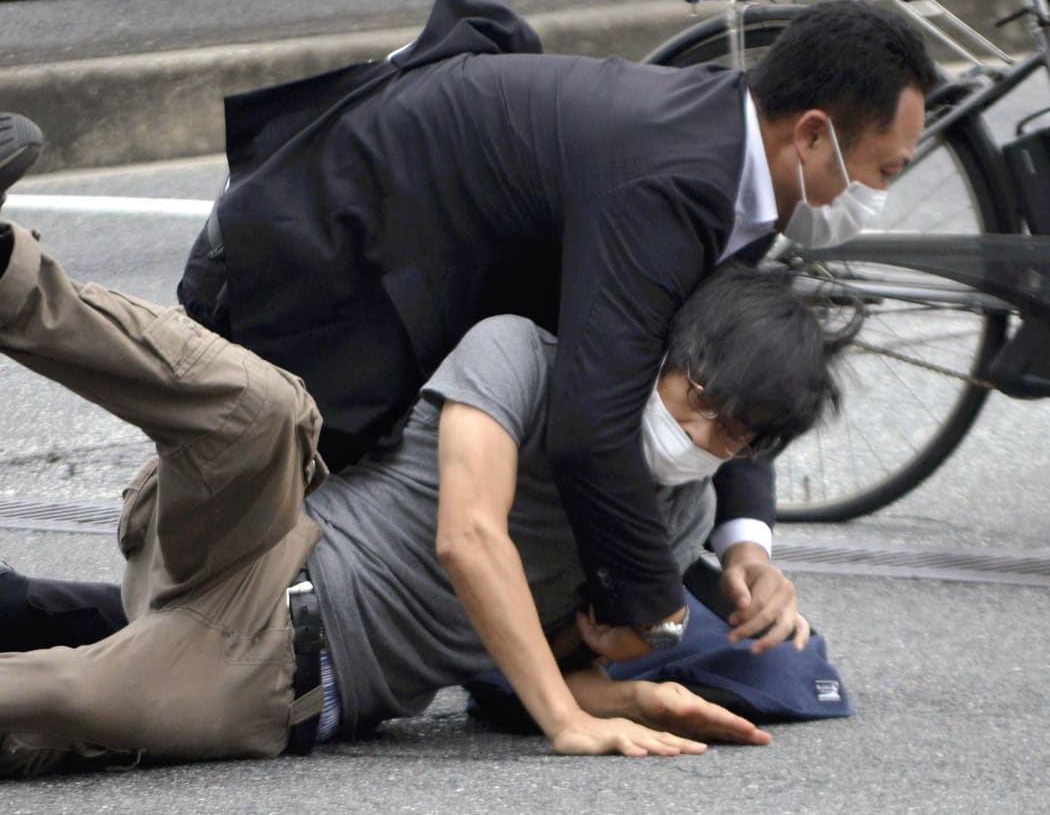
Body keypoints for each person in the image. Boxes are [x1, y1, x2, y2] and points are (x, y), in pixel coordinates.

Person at [176, 0, 936, 655]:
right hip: (292, 266)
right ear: (811, 135)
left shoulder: (732, 160)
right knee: (235, 596)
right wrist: (657, 616)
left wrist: (745, 548)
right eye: (881, 171)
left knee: (257, 611)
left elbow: (727, 360)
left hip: (377, 271)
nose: (874, 198)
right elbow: (589, 427)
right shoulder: (676, 182)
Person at [0, 207, 842, 776]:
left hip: (272, 675)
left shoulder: (681, 515)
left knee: (63, 701)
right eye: (697, 397)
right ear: (663, 353)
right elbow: (468, 538)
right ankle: (8, 275)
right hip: (260, 537)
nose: (700, 435)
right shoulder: (521, 358)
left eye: (733, 435)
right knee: (265, 409)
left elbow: (527, 674)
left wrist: (629, 691)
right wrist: (567, 719)